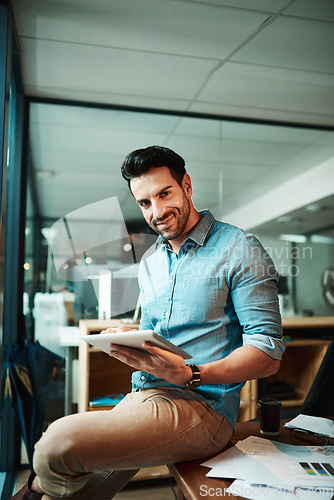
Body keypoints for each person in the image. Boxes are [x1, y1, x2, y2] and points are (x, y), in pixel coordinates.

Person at [13, 145, 285, 500]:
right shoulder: (152, 259)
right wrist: (130, 336)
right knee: (72, 490)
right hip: (144, 394)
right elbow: (157, 332)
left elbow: (268, 352)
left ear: (186, 185)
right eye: (144, 203)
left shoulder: (239, 248)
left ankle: (34, 485)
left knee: (54, 448)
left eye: (164, 193)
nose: (156, 211)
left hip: (203, 409)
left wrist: (192, 373)